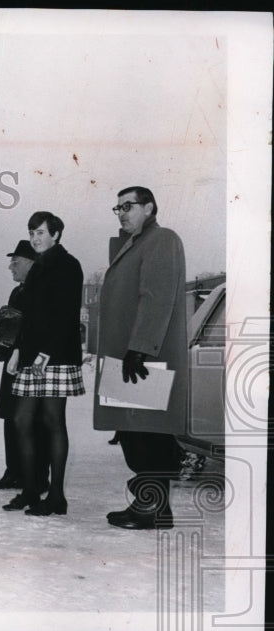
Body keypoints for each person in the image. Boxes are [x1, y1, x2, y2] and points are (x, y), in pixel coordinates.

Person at [95, 186, 187, 530]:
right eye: (117, 207)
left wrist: (141, 347)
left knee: (149, 436)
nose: (121, 212)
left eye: (128, 206)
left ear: (149, 207)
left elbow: (156, 296)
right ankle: (149, 505)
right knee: (134, 435)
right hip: (128, 359)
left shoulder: (162, 239)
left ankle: (154, 509)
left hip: (145, 360)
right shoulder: (134, 244)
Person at [4, 212, 84, 516]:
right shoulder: (37, 269)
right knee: (22, 420)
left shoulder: (67, 265)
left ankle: (57, 496)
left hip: (56, 356)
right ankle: (31, 488)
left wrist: (44, 355)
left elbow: (65, 317)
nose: (35, 238)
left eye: (40, 233)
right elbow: (30, 319)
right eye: (32, 233)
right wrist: (18, 351)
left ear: (56, 235)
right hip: (33, 356)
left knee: (52, 421)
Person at [0, 240, 49, 493]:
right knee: (11, 418)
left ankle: (36, 477)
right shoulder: (18, 292)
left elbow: (40, 331)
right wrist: (0, 343)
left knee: (33, 421)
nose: (11, 266)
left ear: (32, 263)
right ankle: (13, 472)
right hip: (12, 366)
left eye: (16, 261)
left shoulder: (42, 290)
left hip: (32, 366)